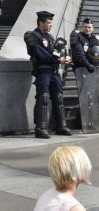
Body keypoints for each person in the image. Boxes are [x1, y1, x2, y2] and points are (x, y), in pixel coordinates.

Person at [24, 11, 72, 139]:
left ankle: (61, 126)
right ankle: (40, 128)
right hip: (43, 71)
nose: (51, 25)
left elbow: (55, 53)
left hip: (54, 71)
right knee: (43, 98)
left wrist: (64, 57)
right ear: (41, 23)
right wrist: (58, 60)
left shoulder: (50, 38)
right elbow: (40, 53)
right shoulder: (31, 35)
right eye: (49, 23)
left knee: (59, 98)